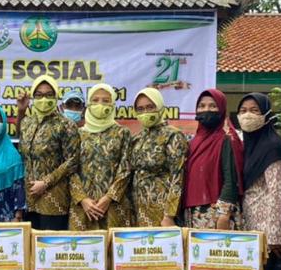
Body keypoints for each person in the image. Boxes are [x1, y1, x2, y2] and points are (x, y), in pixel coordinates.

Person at [237, 93, 281, 270]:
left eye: (255, 110)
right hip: (253, 232)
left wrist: (276, 237)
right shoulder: (247, 146)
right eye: (242, 111)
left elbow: (277, 191)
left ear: (267, 115)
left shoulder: (272, 146)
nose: (247, 115)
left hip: (271, 239)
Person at [18, 75, 80, 230]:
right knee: (30, 247)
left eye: (49, 94)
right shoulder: (28, 122)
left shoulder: (66, 125)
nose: (44, 99)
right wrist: (21, 111)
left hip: (54, 200)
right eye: (39, 95)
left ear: (56, 97)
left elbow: (73, 161)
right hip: (30, 200)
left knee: (50, 248)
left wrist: (45, 183)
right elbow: (21, 142)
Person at [69, 84, 133, 230]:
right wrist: (83, 199)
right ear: (89, 105)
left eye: (106, 100)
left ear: (113, 104)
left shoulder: (123, 133)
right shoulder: (77, 134)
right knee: (81, 250)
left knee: (114, 249)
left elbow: (126, 169)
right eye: (95, 100)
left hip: (114, 206)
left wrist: (108, 198)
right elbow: (70, 170)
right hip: (83, 208)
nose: (100, 104)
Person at [182, 88, 242, 229]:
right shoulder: (192, 142)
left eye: (212, 106)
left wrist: (224, 214)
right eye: (201, 106)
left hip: (217, 214)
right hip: (192, 213)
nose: (206, 110)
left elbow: (231, 179)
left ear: (221, 110)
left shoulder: (227, 139)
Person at [129, 87, 187, 226]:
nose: (145, 112)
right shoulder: (138, 138)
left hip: (162, 212)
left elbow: (177, 177)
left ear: (160, 107)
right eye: (140, 109)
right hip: (138, 210)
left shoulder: (173, 135)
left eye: (150, 107)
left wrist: (169, 215)